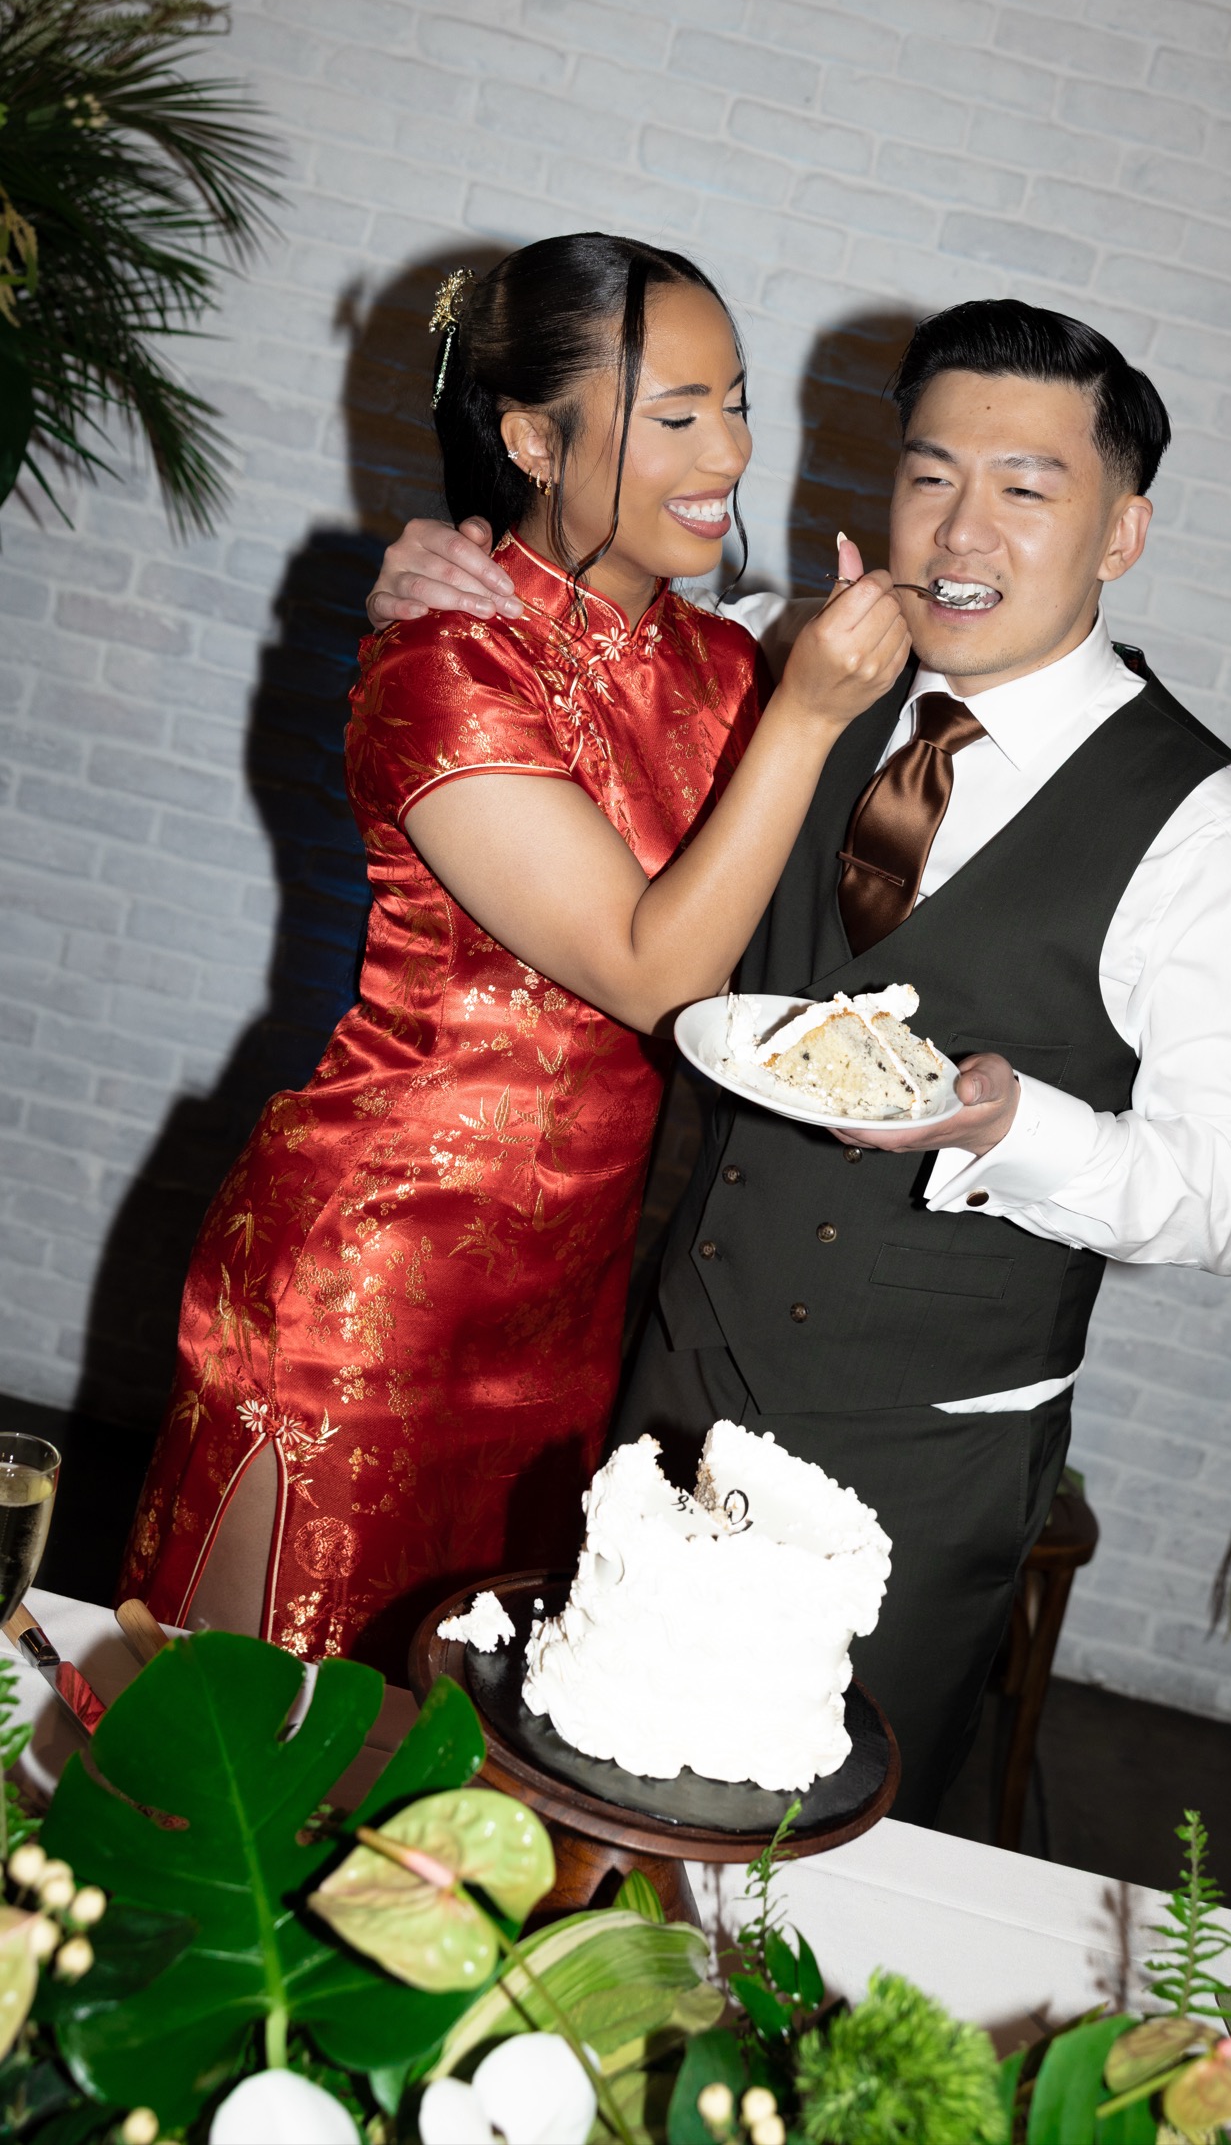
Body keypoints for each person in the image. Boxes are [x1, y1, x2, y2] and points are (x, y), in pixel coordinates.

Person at [365, 297, 1231, 1813]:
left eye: (1027, 489)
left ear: (1122, 535)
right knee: (589, 1792)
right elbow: (557, 659)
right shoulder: (788, 670)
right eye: (932, 475)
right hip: (674, 1387)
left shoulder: (1207, 834)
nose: (962, 532)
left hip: (919, 1465)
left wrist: (1018, 1128)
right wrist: (426, 575)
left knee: (820, 1858)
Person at [119, 233, 909, 1667]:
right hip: (367, 1288)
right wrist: (808, 717)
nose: (728, 448)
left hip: (562, 1314)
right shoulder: (442, 666)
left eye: (734, 400)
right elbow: (654, 972)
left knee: (449, 1792)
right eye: (674, 415)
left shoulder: (719, 665)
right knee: (253, 1760)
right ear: (536, 437)